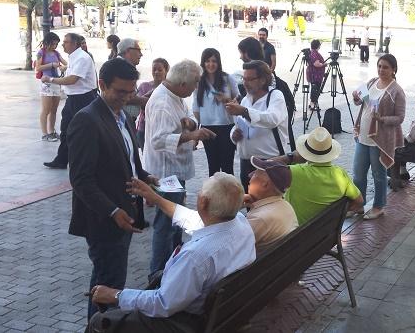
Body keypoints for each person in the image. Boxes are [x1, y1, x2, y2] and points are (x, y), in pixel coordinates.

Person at [87, 173, 255, 332]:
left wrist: (116, 295)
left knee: (98, 321)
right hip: (224, 312)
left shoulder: (195, 257)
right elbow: (193, 219)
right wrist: (157, 199)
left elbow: (162, 303)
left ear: (203, 202)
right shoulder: (240, 223)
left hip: (183, 322)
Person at [67, 58, 157, 321]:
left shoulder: (120, 115)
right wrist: (113, 210)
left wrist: (144, 176)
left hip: (124, 213)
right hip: (103, 219)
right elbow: (81, 179)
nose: (127, 97)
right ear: (101, 84)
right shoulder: (87, 120)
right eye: (120, 91)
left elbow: (127, 158)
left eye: (131, 91)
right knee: (108, 283)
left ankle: (100, 324)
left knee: (109, 280)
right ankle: (100, 325)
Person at [128, 157, 297, 253]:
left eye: (255, 174)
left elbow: (203, 226)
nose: (249, 175)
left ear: (265, 185)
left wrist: (155, 198)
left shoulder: (261, 219)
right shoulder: (283, 207)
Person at [143, 60, 217, 277]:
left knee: (175, 219)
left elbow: (190, 116)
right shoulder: (162, 102)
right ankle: (158, 272)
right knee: (165, 222)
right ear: (183, 83)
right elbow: (159, 140)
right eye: (194, 83)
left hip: (176, 170)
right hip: (165, 172)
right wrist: (192, 135)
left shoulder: (177, 96)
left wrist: (191, 125)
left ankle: (173, 262)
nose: (196, 88)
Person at [351, 54, 406, 220]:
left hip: (380, 140)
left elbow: (400, 118)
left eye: (386, 67)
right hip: (363, 135)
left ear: (394, 70)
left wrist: (382, 119)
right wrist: (356, 97)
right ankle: (359, 205)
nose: (382, 70)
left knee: (378, 174)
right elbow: (359, 102)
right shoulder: (372, 82)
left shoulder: (397, 91)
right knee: (358, 174)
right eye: (380, 66)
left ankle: (378, 206)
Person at [273, 127, 364, 224]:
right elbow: (359, 202)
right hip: (326, 232)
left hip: (296, 232)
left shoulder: (294, 172)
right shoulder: (340, 174)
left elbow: (265, 166)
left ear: (305, 153)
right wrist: (338, 215)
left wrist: (291, 156)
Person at [226, 60, 289, 191]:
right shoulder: (245, 99)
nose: (245, 83)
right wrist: (234, 134)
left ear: (263, 80)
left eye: (250, 79)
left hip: (269, 163)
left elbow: (272, 119)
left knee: (269, 205)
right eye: (244, 79)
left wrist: (244, 111)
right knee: (251, 205)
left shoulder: (275, 96)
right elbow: (238, 125)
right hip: (246, 162)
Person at [42, 33, 98, 169]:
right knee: (66, 129)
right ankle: (61, 159)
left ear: (74, 44)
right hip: (73, 98)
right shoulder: (73, 57)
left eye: (66, 42)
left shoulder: (82, 58)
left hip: (84, 98)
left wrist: (50, 79)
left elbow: (72, 80)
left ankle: (89, 161)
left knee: (84, 131)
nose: (63, 44)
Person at [192, 48, 240, 176]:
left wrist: (226, 100)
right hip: (208, 128)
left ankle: (229, 194)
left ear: (218, 62)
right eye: (207, 61)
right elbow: (196, 108)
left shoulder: (227, 78)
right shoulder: (199, 81)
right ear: (203, 62)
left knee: (227, 166)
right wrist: (197, 128)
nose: (211, 64)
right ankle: (213, 195)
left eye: (214, 61)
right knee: (212, 166)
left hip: (226, 126)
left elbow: (238, 101)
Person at [35, 32, 67, 142]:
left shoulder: (56, 53)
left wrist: (64, 67)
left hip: (56, 81)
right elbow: (38, 68)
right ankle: (45, 133)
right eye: (53, 44)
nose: (55, 46)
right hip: (46, 82)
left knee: (54, 109)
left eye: (56, 44)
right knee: (46, 109)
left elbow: (65, 63)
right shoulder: (41, 53)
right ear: (48, 42)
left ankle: (51, 131)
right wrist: (52, 65)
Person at [136, 58, 169, 149]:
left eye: (160, 70)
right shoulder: (144, 86)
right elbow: (139, 105)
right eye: (154, 69)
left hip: (165, 130)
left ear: (166, 71)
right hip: (145, 128)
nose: (156, 72)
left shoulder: (171, 88)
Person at [116, 38, 147, 123]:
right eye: (138, 50)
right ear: (128, 51)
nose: (141, 54)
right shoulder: (120, 66)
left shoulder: (125, 66)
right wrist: (146, 101)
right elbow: (123, 96)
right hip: (121, 120)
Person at [307, 39, 327, 110]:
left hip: (313, 74)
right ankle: (313, 103)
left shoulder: (311, 52)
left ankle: (313, 103)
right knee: (316, 89)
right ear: (318, 46)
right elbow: (317, 64)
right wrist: (324, 64)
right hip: (316, 75)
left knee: (314, 88)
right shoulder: (315, 53)